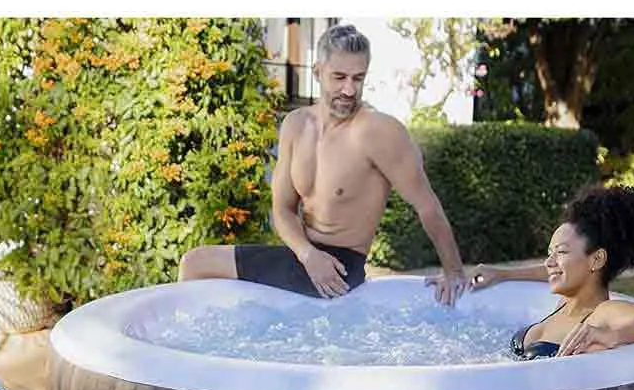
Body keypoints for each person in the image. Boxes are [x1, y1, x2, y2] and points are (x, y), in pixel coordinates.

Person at [177, 23, 469, 306]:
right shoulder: (295, 125)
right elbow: (282, 209)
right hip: (303, 259)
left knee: (196, 264)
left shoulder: (379, 132)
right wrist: (307, 254)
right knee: (197, 265)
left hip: (340, 270)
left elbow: (427, 206)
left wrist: (454, 272)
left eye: (358, 78)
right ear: (317, 72)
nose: (349, 90)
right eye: (339, 77)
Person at [470, 184, 634, 358]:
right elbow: (554, 270)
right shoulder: (564, 303)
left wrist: (614, 336)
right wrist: (502, 274)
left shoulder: (603, 313)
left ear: (597, 259)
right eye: (550, 253)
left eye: (561, 252)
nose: (549, 262)